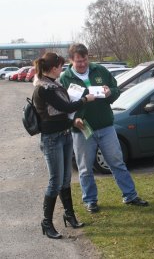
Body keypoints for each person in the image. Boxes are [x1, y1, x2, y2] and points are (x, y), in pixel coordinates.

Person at [60, 43, 148, 213]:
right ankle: (90, 200)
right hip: (82, 130)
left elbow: (116, 90)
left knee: (117, 162)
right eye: (78, 61)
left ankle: (130, 195)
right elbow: (63, 107)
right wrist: (72, 122)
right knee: (85, 168)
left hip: (106, 127)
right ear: (71, 60)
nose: (83, 64)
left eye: (84, 60)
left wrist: (110, 93)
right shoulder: (65, 78)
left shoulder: (100, 70)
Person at [32, 52, 95, 239]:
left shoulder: (55, 83)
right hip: (52, 139)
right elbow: (66, 108)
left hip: (65, 134)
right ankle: (47, 223)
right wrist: (85, 100)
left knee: (66, 179)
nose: (63, 68)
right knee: (55, 182)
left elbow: (61, 114)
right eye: (60, 66)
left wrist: (72, 123)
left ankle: (69, 215)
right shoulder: (43, 87)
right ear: (53, 68)